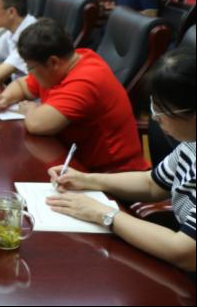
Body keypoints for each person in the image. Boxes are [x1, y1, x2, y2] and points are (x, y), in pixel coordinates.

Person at [46, 47, 195, 273]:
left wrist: (104, 214)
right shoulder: (191, 142)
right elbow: (152, 184)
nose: (155, 118)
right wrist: (87, 180)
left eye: (162, 111)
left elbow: (183, 252)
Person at [0, 19, 148, 173]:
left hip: (111, 176)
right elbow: (21, 85)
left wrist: (31, 110)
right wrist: (4, 98)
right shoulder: (62, 66)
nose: (30, 73)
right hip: (76, 166)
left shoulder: (86, 79)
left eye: (31, 68)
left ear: (53, 62)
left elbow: (37, 124)